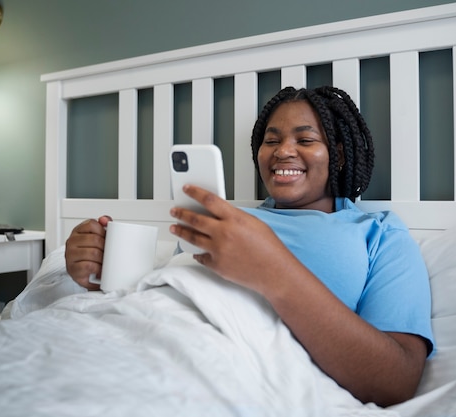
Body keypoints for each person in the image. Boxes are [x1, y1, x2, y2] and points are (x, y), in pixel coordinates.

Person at [64, 86, 434, 407]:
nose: (282, 151)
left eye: (305, 140)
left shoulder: (380, 234)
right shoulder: (226, 220)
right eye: (271, 141)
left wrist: (273, 271)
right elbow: (173, 296)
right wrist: (100, 271)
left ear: (337, 156)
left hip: (227, 370)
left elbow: (395, 380)